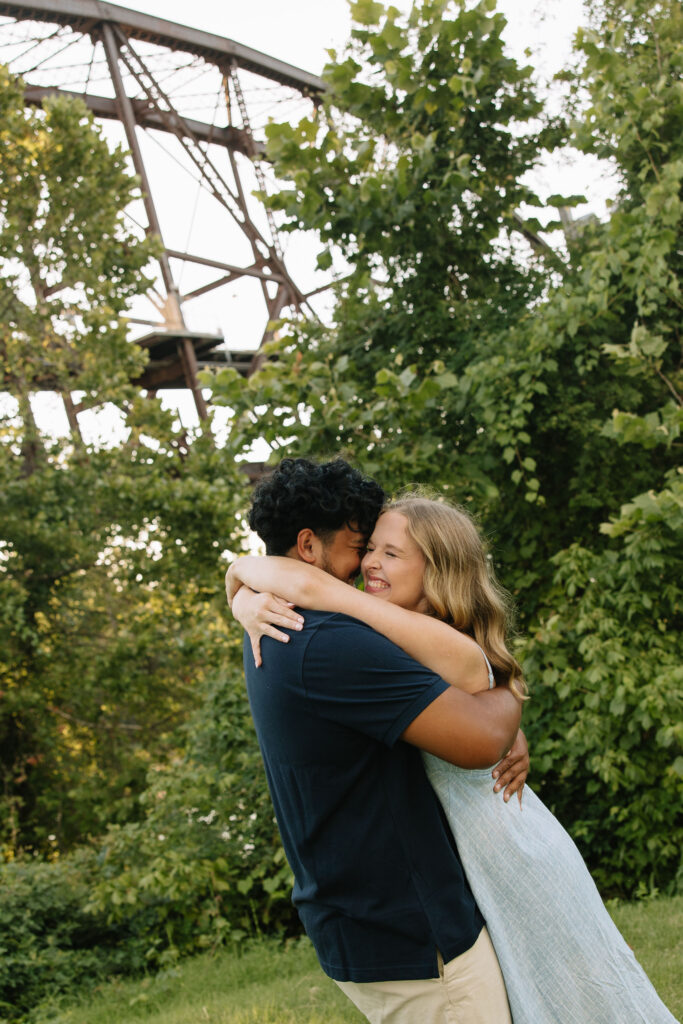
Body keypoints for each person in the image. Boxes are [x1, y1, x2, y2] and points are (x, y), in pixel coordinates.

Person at [228, 489, 679, 1024]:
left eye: (390, 554)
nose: (370, 562)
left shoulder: (418, 637)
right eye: (368, 547)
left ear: (437, 572)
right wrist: (242, 593)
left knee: (586, 1003)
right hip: (470, 873)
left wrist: (280, 585)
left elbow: (475, 682)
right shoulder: (375, 637)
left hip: (513, 861)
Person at [228, 457, 528, 1024]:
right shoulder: (329, 641)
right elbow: (486, 737)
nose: (364, 564)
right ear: (309, 547)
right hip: (409, 929)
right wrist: (508, 696)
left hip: (361, 916)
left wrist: (240, 584)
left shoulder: (273, 619)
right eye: (359, 546)